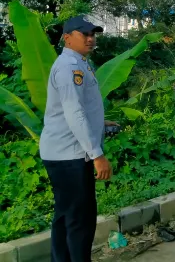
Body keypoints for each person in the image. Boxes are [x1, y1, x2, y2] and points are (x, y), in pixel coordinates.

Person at [39, 15, 117, 262]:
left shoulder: (79, 63)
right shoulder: (69, 67)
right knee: (80, 220)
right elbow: (74, 113)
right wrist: (97, 155)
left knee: (66, 216)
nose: (91, 39)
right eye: (85, 34)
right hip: (69, 154)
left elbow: (77, 108)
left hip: (64, 153)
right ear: (67, 38)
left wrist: (100, 123)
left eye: (93, 34)